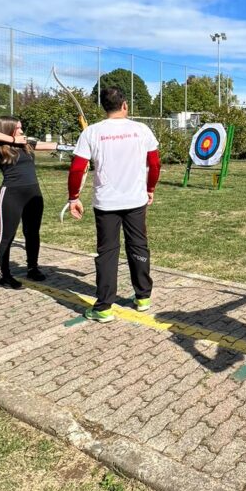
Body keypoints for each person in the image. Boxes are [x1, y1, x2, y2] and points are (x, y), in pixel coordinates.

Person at [67, 86, 161, 322]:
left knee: (107, 252)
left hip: (106, 203)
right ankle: (143, 297)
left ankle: (104, 308)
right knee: (138, 246)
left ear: (104, 107)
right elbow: (155, 164)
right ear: (125, 105)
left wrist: (73, 197)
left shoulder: (92, 132)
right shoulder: (141, 130)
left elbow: (78, 168)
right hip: (135, 200)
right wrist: (150, 189)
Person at [0, 116, 60, 288]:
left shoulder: (26, 144)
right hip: (11, 194)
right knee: (6, 236)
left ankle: (33, 268)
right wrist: (12, 139)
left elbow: (52, 145)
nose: (22, 131)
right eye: (18, 128)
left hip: (33, 194)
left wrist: (76, 146)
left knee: (32, 233)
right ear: (8, 129)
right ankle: (4, 275)